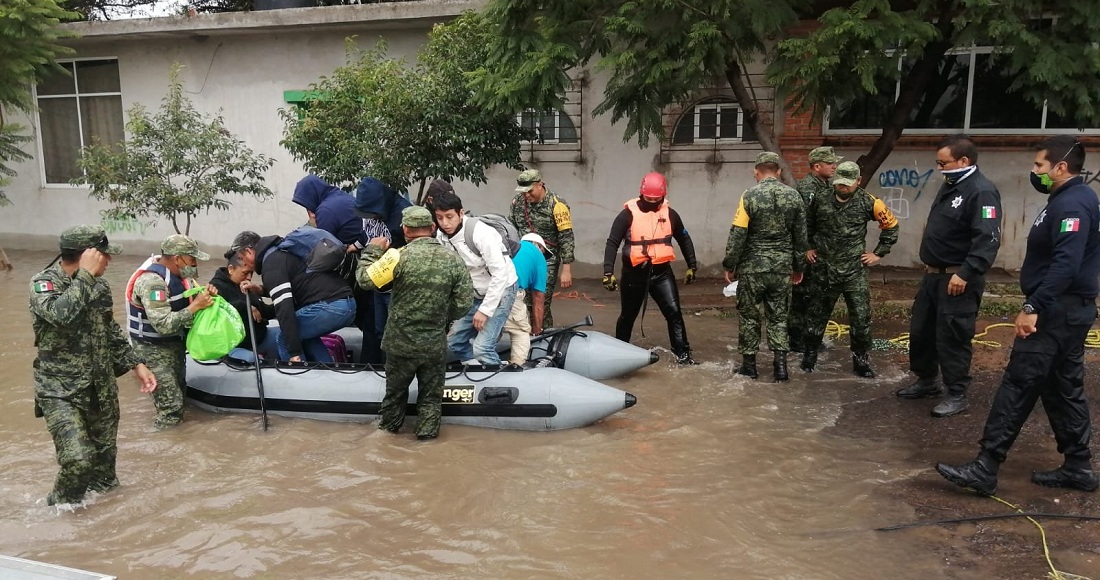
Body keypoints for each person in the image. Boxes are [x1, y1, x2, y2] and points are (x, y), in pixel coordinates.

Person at [936, 136, 1100, 495]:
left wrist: (1033, 307)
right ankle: (1078, 466)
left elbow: (1066, 265)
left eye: (1039, 165)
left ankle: (986, 466)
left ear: (1061, 167)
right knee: (1061, 387)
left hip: (1056, 312)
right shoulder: (1064, 199)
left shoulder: (1073, 204)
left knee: (1018, 384)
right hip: (1066, 310)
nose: (1034, 171)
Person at [30, 225, 157, 505]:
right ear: (89, 254)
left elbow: (109, 329)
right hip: (60, 392)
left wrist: (136, 364)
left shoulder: (99, 286)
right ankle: (58, 516)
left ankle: (99, 531)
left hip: (100, 389)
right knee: (78, 461)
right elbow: (60, 315)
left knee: (105, 474)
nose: (109, 260)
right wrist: (84, 275)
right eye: (105, 255)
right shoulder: (44, 284)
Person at [896, 135, 1003, 418]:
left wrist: (966, 272)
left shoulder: (981, 191)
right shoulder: (952, 186)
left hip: (958, 279)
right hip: (934, 276)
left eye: (943, 163)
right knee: (922, 331)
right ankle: (927, 381)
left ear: (963, 161)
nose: (940, 168)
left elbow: (988, 238)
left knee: (953, 335)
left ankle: (957, 393)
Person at [357, 206, 473, 440]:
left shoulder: (396, 257)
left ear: (405, 230)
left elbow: (364, 280)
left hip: (400, 345)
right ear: (432, 228)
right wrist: (442, 318)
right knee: (431, 400)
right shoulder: (453, 259)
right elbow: (464, 303)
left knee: (394, 396)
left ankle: (388, 440)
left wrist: (372, 251)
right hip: (433, 345)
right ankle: (427, 444)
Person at [801, 161, 899, 377]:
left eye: (847, 184)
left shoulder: (870, 202)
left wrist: (878, 253)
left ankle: (861, 362)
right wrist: (807, 247)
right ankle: (809, 357)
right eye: (839, 184)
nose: (842, 188)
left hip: (854, 272)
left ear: (858, 181)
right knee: (816, 316)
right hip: (824, 270)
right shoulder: (820, 198)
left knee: (860, 318)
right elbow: (806, 224)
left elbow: (891, 227)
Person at [722, 152, 808, 381]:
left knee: (750, 317)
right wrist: (798, 267)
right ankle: (781, 368)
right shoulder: (794, 197)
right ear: (778, 171)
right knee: (779, 317)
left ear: (756, 171)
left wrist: (730, 264)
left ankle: (749, 367)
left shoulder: (748, 196)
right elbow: (801, 237)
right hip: (782, 269)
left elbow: (738, 234)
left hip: (753, 269)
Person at [603, 172, 699, 365]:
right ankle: (618, 356)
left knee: (674, 313)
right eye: (649, 199)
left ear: (663, 196)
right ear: (641, 195)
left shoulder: (670, 214)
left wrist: (692, 265)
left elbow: (683, 238)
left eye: (657, 200)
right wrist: (608, 272)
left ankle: (683, 356)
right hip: (634, 274)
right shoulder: (627, 215)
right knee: (628, 316)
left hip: (661, 273)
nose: (653, 203)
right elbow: (612, 242)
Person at [126, 234, 215, 430]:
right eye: (192, 260)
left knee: (180, 400)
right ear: (177, 258)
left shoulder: (181, 279)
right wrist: (195, 307)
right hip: (153, 353)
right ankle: (163, 448)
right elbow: (163, 324)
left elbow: (189, 304)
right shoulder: (152, 282)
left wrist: (205, 298)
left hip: (173, 349)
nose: (195, 264)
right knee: (171, 410)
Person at [229, 230, 356, 363]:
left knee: (284, 337)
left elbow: (285, 310)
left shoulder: (271, 266)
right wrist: (260, 290)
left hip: (331, 306)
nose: (244, 264)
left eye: (242, 258)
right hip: (343, 301)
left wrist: (294, 353)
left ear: (249, 252)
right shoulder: (281, 251)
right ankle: (327, 373)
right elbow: (296, 283)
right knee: (306, 336)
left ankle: (298, 377)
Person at [433, 189, 519, 367]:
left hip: (502, 289)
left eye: (449, 216)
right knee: (454, 341)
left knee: (482, 348)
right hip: (474, 291)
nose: (445, 223)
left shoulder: (481, 233)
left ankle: (497, 383)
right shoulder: (441, 236)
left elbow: (500, 274)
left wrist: (485, 311)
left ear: (461, 213)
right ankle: (476, 371)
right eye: (440, 218)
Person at [353, 176, 412, 365]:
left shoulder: (402, 214)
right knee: (373, 328)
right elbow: (366, 235)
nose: (370, 218)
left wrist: (378, 249)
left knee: (391, 332)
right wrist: (355, 245)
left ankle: (388, 368)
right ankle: (370, 366)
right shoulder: (370, 215)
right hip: (377, 281)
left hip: (395, 284)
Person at [508, 169, 575, 329]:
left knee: (541, 301)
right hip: (523, 256)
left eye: (530, 191)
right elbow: (511, 229)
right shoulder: (517, 203)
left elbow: (566, 236)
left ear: (540, 185)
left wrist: (566, 269)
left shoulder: (557, 204)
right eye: (523, 192)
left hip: (547, 259)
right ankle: (525, 337)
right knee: (522, 300)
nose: (526, 196)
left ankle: (544, 335)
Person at [791, 146, 841, 354]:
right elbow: (800, 223)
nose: (834, 166)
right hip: (809, 254)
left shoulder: (826, 185)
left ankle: (809, 338)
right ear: (817, 166)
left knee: (817, 297)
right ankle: (795, 340)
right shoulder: (807, 189)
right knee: (802, 297)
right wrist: (806, 248)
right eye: (830, 164)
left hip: (823, 253)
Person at [208, 250, 280, 362]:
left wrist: (284, 304)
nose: (249, 278)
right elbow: (219, 308)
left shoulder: (245, 286)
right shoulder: (215, 287)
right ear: (231, 269)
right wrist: (246, 306)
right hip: (234, 345)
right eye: (245, 273)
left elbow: (264, 312)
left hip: (259, 338)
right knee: (251, 359)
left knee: (285, 334)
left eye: (251, 273)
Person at [503, 233, 550, 365]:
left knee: (492, 328)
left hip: (486, 289)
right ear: (540, 246)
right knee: (520, 331)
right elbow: (538, 299)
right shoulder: (538, 256)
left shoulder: (510, 246)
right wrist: (536, 330)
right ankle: (517, 367)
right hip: (510, 291)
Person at [292, 174, 369, 251]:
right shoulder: (339, 195)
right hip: (366, 241)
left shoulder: (325, 211)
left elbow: (324, 248)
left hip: (358, 251)